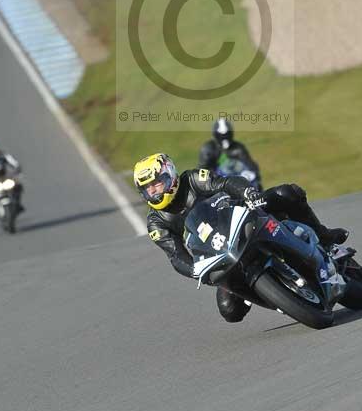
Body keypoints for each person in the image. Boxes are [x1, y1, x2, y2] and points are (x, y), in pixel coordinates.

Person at [134, 153, 347, 324]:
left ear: (169, 176)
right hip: (221, 254)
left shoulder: (192, 179)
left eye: (157, 184)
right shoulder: (156, 223)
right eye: (147, 189)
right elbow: (175, 256)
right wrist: (195, 270)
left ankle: (324, 238)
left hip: (245, 218)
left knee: (287, 193)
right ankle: (271, 294)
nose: (153, 192)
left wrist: (247, 193)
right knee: (230, 312)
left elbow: (226, 183)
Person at [198, 118, 262, 189]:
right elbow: (202, 169)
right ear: (215, 135)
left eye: (227, 135)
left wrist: (253, 176)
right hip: (217, 185)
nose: (225, 138)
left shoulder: (238, 148)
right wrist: (203, 185)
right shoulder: (208, 149)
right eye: (221, 136)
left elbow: (251, 166)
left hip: (239, 183)